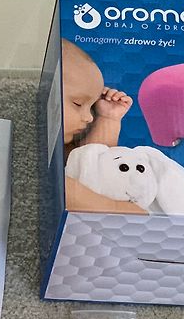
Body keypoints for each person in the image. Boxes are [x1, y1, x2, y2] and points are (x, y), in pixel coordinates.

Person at [61, 40, 143, 213]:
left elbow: (92, 166)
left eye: (90, 106)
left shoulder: (64, 149)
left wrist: (108, 118)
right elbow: (60, 188)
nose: (89, 117)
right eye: (78, 103)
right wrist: (114, 208)